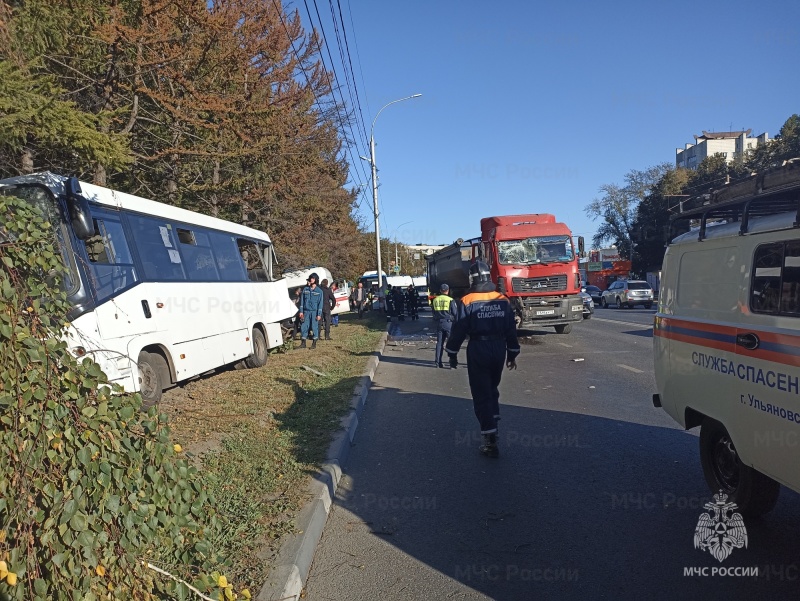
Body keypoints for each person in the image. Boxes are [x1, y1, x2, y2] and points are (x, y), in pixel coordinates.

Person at [445, 261, 520, 458]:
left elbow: (458, 330)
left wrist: (451, 354)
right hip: (499, 348)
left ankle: (489, 438)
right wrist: (512, 353)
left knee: (481, 392)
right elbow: (511, 329)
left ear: (472, 279)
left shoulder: (467, 300)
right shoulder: (502, 299)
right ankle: (493, 419)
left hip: (478, 348)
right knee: (492, 387)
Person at [432, 283, 457, 369]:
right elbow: (455, 313)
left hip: (439, 323)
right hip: (448, 323)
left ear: (440, 290)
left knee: (439, 343)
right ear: (448, 291)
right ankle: (452, 363)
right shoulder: (450, 300)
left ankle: (438, 362)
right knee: (451, 343)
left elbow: (434, 313)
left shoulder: (435, 300)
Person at [298, 272, 324, 348]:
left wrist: (319, 314)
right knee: (304, 326)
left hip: (314, 312)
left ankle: (314, 343)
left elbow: (320, 304)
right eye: (310, 278)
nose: (311, 280)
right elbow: (302, 301)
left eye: (313, 278)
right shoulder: (305, 290)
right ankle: (303, 343)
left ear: (316, 280)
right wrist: (301, 311)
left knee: (314, 327)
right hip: (306, 312)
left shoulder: (319, 291)